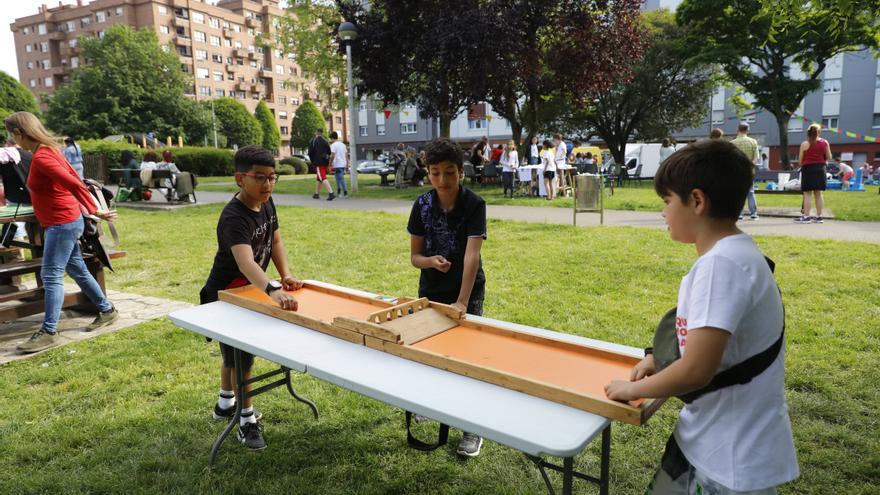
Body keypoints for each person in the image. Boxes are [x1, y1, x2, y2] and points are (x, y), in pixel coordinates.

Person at [605, 139, 799, 495]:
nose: (663, 213)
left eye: (667, 202)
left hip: (729, 458)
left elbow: (697, 370)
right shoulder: (736, 255)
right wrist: (657, 358)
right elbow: (709, 346)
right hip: (709, 442)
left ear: (696, 200)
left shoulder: (721, 265)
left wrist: (634, 389)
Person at [199, 144, 304, 451]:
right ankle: (246, 421)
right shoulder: (234, 217)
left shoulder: (267, 203)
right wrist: (272, 289)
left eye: (272, 177)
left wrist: (284, 274)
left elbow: (275, 239)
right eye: (260, 177)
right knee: (240, 358)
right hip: (225, 296)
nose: (268, 184)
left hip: (249, 291)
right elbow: (246, 262)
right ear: (239, 178)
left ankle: (224, 403)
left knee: (233, 356)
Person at [5, 112, 118, 354]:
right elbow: (70, 182)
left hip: (62, 223)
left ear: (18, 133)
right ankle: (107, 310)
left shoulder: (44, 157)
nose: (14, 142)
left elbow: (74, 183)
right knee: (76, 267)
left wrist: (95, 209)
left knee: (51, 275)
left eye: (12, 136)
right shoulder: (46, 150)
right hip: (64, 221)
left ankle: (48, 331)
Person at [407, 137, 487, 458]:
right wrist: (431, 261)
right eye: (435, 172)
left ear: (461, 172)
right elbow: (415, 256)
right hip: (431, 289)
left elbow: (472, 256)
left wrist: (463, 302)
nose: (442, 180)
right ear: (427, 172)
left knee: (466, 356)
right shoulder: (422, 205)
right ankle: (437, 406)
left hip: (466, 290)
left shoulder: (474, 204)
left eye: (449, 172)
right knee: (433, 352)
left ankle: (472, 426)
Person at [796, 124, 831, 224]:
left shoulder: (804, 144)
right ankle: (819, 217)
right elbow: (829, 156)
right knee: (819, 194)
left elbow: (800, 161)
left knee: (807, 193)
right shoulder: (825, 142)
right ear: (819, 132)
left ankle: (806, 217)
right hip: (820, 168)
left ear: (808, 133)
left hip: (808, 169)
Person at [0, 136, 31, 242]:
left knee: (14, 222)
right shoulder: (30, 154)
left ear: (8, 142)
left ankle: (14, 248)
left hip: (16, 197)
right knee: (22, 223)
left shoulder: (6, 155)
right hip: (33, 195)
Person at [730, 123, 760, 220]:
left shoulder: (732, 143)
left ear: (737, 130)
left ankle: (739, 214)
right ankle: (754, 214)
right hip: (749, 171)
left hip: (737, 171)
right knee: (750, 192)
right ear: (748, 130)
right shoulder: (753, 142)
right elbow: (756, 158)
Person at [308, 128, 335, 201]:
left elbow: (310, 153)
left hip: (318, 162)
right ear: (322, 133)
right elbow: (329, 152)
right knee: (319, 178)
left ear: (316, 132)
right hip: (324, 162)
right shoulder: (325, 141)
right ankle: (316, 194)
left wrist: (313, 161)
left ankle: (331, 193)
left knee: (322, 177)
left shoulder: (313, 141)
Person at [329, 131, 348, 198]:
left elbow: (332, 155)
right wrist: (347, 164)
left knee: (341, 179)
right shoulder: (343, 145)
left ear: (332, 138)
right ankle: (339, 192)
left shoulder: (333, 145)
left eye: (331, 139)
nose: (330, 140)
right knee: (337, 178)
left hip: (337, 164)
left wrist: (330, 164)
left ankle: (345, 192)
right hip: (343, 164)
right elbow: (346, 155)